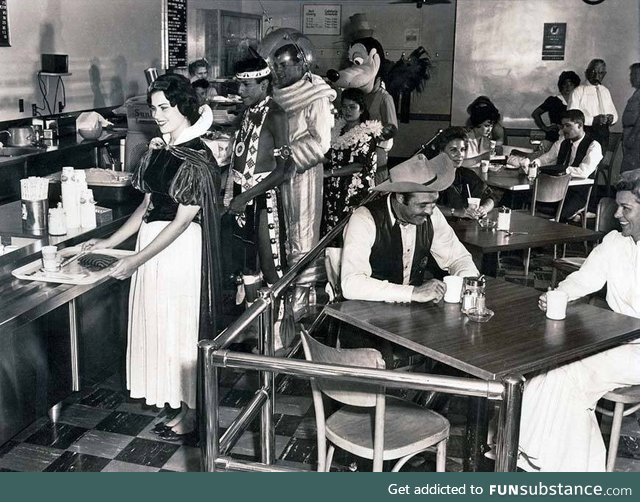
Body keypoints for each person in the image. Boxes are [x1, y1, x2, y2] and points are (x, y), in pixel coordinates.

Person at [82, 74, 222, 440]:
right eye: (154, 108)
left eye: (164, 108)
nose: (157, 115)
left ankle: (193, 411)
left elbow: (180, 222)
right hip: (153, 247)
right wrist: (110, 242)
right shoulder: (160, 150)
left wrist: (136, 259)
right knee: (159, 325)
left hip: (179, 252)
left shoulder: (197, 158)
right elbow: (146, 206)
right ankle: (177, 404)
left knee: (180, 328)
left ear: (183, 107)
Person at [518, 169, 640, 472]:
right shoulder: (615, 243)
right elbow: (584, 279)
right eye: (618, 207)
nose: (618, 216)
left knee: (566, 375)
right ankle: (563, 470)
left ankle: (537, 460)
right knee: (547, 369)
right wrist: (558, 295)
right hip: (616, 341)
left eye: (627, 209)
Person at [341, 155, 479, 304]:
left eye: (433, 203)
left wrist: (467, 281)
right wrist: (413, 292)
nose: (429, 211)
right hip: (366, 313)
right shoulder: (364, 219)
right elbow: (351, 284)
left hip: (412, 314)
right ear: (400, 198)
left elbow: (458, 258)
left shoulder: (431, 215)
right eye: (422, 205)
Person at [264, 37, 336, 322]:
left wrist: (286, 154)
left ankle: (303, 294)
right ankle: (285, 289)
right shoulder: (278, 94)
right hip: (278, 172)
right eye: (276, 67)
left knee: (302, 231)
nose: (279, 73)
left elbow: (321, 143)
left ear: (302, 64)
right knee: (279, 229)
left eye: (284, 66)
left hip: (302, 173)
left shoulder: (316, 95)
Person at [223, 56, 290, 286]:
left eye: (246, 85)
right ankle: (252, 320)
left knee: (272, 270)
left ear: (264, 84)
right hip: (241, 197)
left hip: (263, 199)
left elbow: (284, 170)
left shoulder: (276, 115)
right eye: (238, 85)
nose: (240, 91)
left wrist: (245, 196)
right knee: (247, 269)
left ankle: (279, 321)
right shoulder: (248, 112)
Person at [322, 88, 382, 235]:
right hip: (334, 189)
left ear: (361, 109)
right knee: (331, 230)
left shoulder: (366, 133)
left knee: (350, 232)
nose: (347, 111)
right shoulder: (337, 129)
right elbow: (330, 156)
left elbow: (359, 165)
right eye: (344, 106)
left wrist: (330, 173)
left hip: (353, 191)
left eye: (352, 107)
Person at [530, 109, 602, 222]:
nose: (564, 129)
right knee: (528, 201)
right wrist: (535, 164)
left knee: (560, 215)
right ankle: (573, 217)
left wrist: (559, 170)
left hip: (578, 192)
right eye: (563, 126)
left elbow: (584, 172)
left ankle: (571, 219)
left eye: (568, 125)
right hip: (558, 189)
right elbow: (548, 157)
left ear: (580, 125)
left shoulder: (594, 146)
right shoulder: (562, 142)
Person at [436, 126, 499, 219]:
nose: (459, 154)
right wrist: (456, 212)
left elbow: (491, 197)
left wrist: (484, 209)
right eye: (453, 150)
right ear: (441, 152)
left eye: (462, 150)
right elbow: (426, 207)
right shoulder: (432, 175)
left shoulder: (466, 174)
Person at [568, 59, 618, 149]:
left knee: (599, 161)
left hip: (604, 134)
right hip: (585, 133)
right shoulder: (578, 91)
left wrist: (612, 118)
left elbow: (614, 113)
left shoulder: (605, 91)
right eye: (593, 72)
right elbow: (572, 117)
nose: (596, 76)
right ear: (586, 72)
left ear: (604, 74)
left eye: (600, 73)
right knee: (585, 162)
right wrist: (593, 120)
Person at [531, 70, 581, 143]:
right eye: (564, 84)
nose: (567, 87)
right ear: (561, 85)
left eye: (570, 84)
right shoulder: (553, 100)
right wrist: (545, 128)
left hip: (572, 138)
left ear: (575, 86)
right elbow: (535, 113)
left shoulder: (578, 101)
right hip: (554, 138)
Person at [463, 97, 502, 167]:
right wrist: (482, 157)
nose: (489, 129)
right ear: (477, 123)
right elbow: (459, 164)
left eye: (491, 126)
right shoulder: (464, 139)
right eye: (486, 126)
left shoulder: (485, 140)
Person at [621, 63, 640, 173]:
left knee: (631, 172)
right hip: (630, 136)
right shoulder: (637, 93)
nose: (631, 77)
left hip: (636, 138)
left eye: (635, 74)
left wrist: (632, 137)